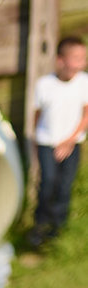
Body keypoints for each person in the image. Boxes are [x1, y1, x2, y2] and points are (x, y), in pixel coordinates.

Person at [26, 36, 88, 253]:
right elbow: (37, 114)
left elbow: (86, 114)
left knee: (64, 186)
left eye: (83, 58)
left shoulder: (84, 82)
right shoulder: (45, 85)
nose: (82, 63)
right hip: (47, 143)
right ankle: (39, 228)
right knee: (47, 183)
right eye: (77, 58)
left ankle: (57, 231)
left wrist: (69, 141)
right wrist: (35, 141)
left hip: (71, 144)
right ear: (61, 60)